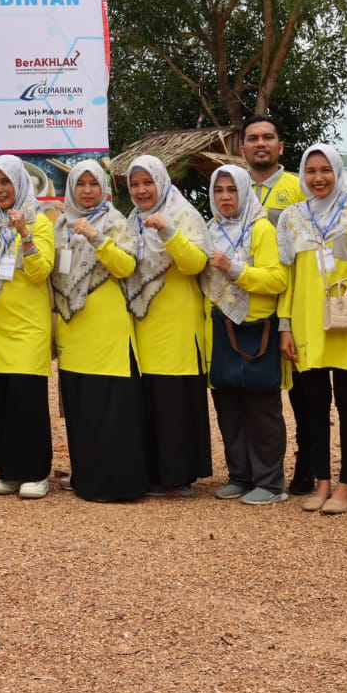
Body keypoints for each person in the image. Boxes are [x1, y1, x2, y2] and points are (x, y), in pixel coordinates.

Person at [276, 145, 347, 515]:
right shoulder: (292, 218)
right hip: (307, 320)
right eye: (311, 171)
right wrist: (285, 326)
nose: (319, 178)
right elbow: (288, 277)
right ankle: (322, 482)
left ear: (338, 171)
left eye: (326, 170)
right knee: (314, 404)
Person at [50, 161, 144, 503]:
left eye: (94, 183)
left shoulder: (115, 221)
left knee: (111, 409)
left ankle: (118, 485)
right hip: (72, 328)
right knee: (82, 410)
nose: (87, 190)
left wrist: (96, 237)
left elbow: (127, 266)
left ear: (103, 187)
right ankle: (86, 479)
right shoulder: (61, 224)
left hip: (107, 330)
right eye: (81, 184)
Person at [123, 156, 212, 497]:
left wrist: (168, 231)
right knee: (150, 399)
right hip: (143, 322)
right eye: (135, 184)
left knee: (174, 399)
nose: (141, 190)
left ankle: (179, 475)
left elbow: (195, 263)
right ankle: (155, 473)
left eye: (148, 182)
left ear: (161, 181)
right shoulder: (132, 220)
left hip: (177, 322)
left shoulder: (182, 213)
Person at [201, 166, 291, 505]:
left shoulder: (261, 228)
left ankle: (270, 482)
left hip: (256, 330)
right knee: (228, 406)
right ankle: (240, 475)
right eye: (219, 190)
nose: (225, 196)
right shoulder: (209, 230)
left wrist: (233, 268)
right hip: (221, 326)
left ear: (244, 192)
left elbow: (277, 280)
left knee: (262, 408)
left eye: (232, 189)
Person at [240, 113, 315, 496]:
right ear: (242, 147)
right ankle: (255, 470)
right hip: (248, 309)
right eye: (253, 138)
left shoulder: (298, 188)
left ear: (281, 146)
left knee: (304, 393)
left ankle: (308, 465)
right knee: (256, 394)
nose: (260, 144)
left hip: (292, 304)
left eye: (268, 137)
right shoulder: (233, 187)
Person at [0, 155, 57, 500]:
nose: (0, 189)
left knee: (27, 402)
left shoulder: (40, 222)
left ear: (20, 183)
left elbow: (41, 271)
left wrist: (25, 233)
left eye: (6, 182)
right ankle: (8, 471)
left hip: (28, 328)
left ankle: (36, 472)